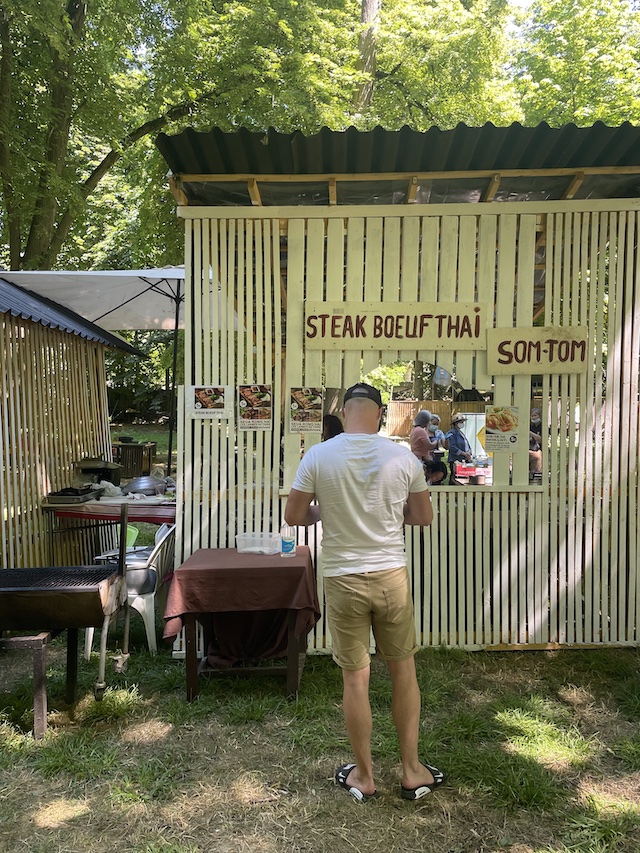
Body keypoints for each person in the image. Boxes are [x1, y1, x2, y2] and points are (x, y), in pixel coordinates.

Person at [284, 383, 445, 803]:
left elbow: (295, 515)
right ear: (378, 413)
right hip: (391, 575)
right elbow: (423, 517)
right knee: (402, 670)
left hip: (342, 578)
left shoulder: (317, 456)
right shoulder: (402, 456)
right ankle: (412, 771)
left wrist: (328, 509)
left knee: (355, 679)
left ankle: (364, 776)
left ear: (347, 411)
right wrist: (391, 512)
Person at [444, 414, 473, 482]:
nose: (462, 424)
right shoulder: (451, 433)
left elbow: (466, 444)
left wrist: (469, 452)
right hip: (455, 460)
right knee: (455, 478)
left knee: (464, 478)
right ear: (455, 423)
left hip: (464, 460)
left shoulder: (461, 433)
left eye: (463, 422)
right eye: (460, 422)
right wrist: (464, 453)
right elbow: (452, 447)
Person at [529, 406, 543, 477]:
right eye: (532, 416)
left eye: (535, 415)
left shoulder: (542, 426)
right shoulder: (531, 426)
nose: (533, 417)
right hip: (529, 451)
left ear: (539, 416)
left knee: (536, 474)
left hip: (538, 452)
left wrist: (531, 433)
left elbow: (540, 439)